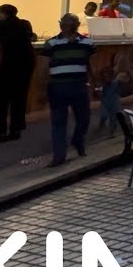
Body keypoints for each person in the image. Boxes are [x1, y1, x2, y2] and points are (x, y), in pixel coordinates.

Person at [42, 13, 95, 168]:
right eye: (64, 23)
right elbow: (43, 68)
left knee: (84, 118)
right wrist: (43, 87)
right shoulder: (51, 43)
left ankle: (77, 140)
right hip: (58, 86)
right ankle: (59, 155)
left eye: (67, 24)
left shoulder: (88, 43)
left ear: (75, 25)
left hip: (78, 85)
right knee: (59, 121)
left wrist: (95, 83)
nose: (64, 26)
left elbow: (91, 65)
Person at [0, 4, 36, 144]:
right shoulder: (23, 24)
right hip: (27, 63)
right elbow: (26, 37)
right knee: (19, 96)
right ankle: (16, 129)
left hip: (11, 63)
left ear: (3, 14)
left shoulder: (2, 24)